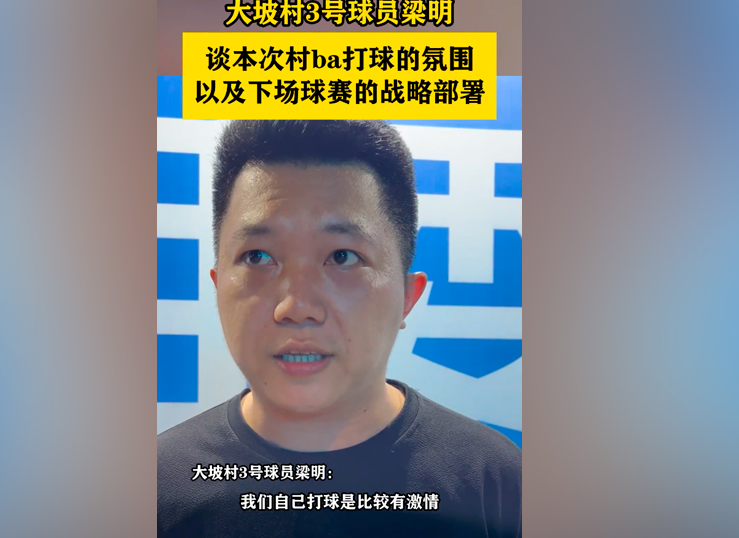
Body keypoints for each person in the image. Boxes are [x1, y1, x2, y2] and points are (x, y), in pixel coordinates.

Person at [157, 120, 522, 537]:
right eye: (258, 256)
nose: (297, 308)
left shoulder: (493, 483)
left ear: (408, 296)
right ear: (218, 285)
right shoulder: (158, 486)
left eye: (343, 256)